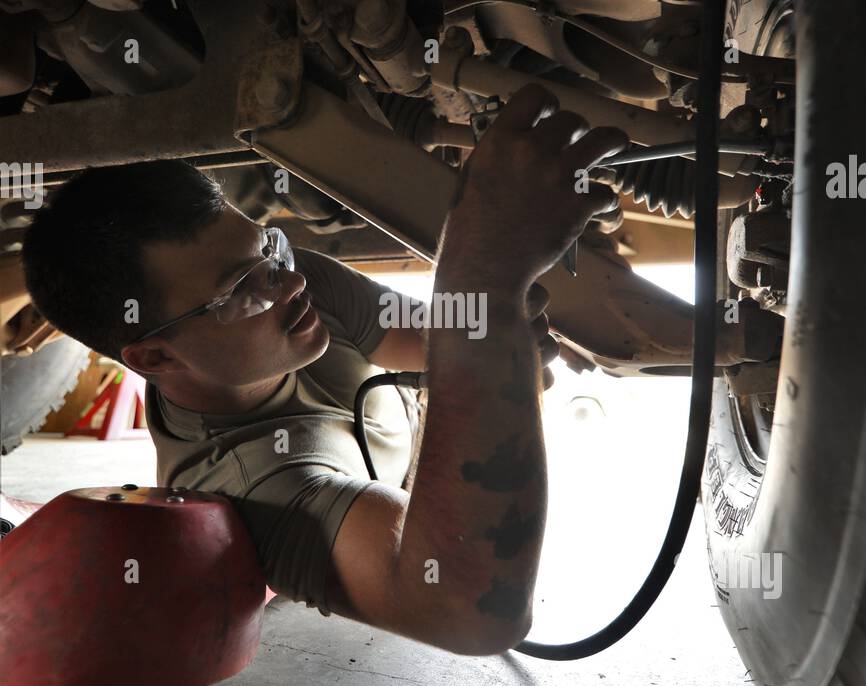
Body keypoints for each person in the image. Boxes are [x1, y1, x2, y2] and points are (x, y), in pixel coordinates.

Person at [22, 85, 625, 655]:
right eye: (242, 289)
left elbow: (436, 336)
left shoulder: (287, 284)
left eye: (267, 248)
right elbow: (469, 610)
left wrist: (498, 328)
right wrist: (483, 276)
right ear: (155, 357)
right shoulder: (253, 492)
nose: (289, 282)